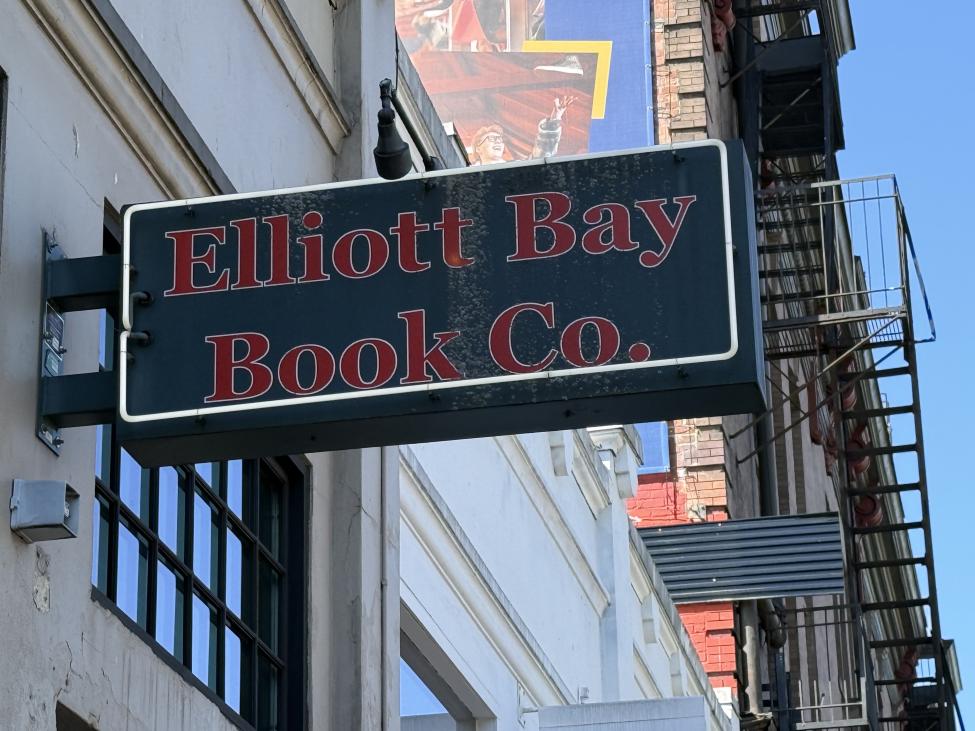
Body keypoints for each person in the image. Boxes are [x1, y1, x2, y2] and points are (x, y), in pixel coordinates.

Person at [469, 95, 576, 165]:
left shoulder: (518, 168)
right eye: (491, 138)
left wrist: (553, 121)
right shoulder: (466, 174)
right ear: (478, 148)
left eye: (499, 139)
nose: (498, 141)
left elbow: (541, 156)